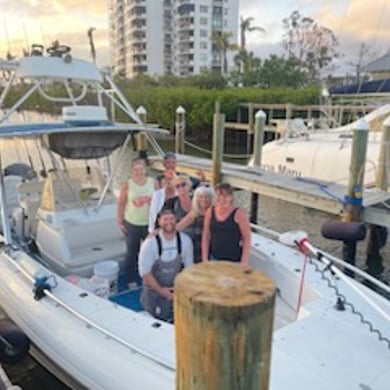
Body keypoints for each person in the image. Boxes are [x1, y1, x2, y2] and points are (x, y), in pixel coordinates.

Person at [139, 207, 193, 321]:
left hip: (174, 288)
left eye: (171, 218)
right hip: (153, 289)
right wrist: (161, 291)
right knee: (152, 316)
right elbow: (145, 273)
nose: (169, 222)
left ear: (176, 220)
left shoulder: (186, 241)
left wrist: (179, 289)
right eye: (165, 219)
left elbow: (189, 270)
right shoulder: (150, 244)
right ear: (159, 222)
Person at [117, 158, 157, 289]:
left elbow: (159, 201)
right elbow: (121, 204)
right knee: (132, 251)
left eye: (141, 169)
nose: (138, 172)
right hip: (132, 223)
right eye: (136, 170)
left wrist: (151, 202)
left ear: (145, 170)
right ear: (132, 171)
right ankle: (131, 279)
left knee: (150, 252)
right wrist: (120, 222)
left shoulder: (154, 182)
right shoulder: (127, 185)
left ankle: (150, 277)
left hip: (149, 224)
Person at [202, 183, 251, 266]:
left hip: (234, 261)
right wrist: (205, 259)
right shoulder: (210, 212)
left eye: (225, 196)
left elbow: (247, 238)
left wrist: (244, 262)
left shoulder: (239, 214)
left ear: (231, 197)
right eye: (219, 195)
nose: (221, 199)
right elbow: (206, 236)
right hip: (214, 259)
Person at [176, 185, 215, 263]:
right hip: (196, 248)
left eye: (207, 197)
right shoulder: (194, 213)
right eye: (201, 197)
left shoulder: (215, 213)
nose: (204, 199)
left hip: (212, 248)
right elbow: (178, 227)